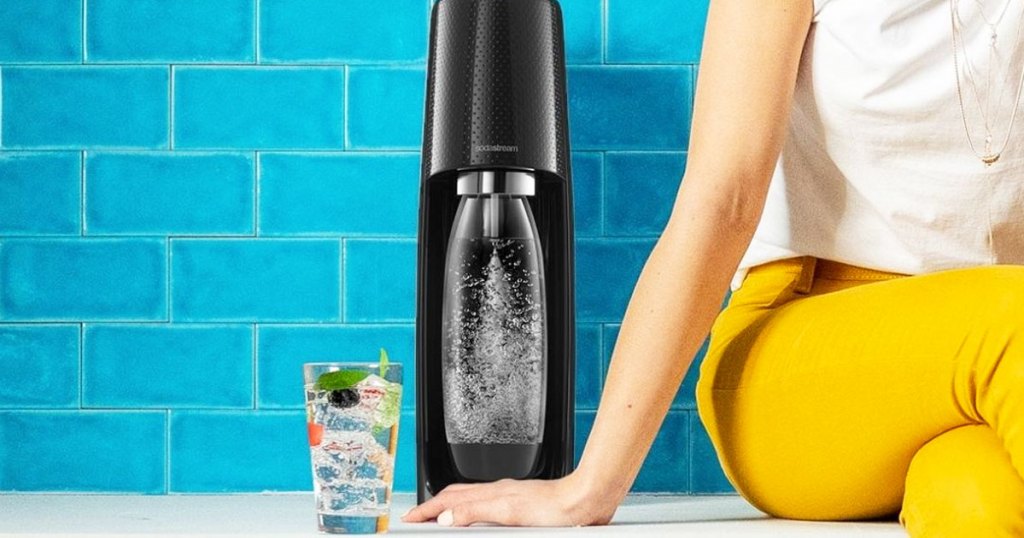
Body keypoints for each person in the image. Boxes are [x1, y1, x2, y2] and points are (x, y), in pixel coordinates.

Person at [403, 0, 1024, 535]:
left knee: (979, 499)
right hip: (804, 354)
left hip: (989, 381)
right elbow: (722, 203)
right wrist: (587, 487)